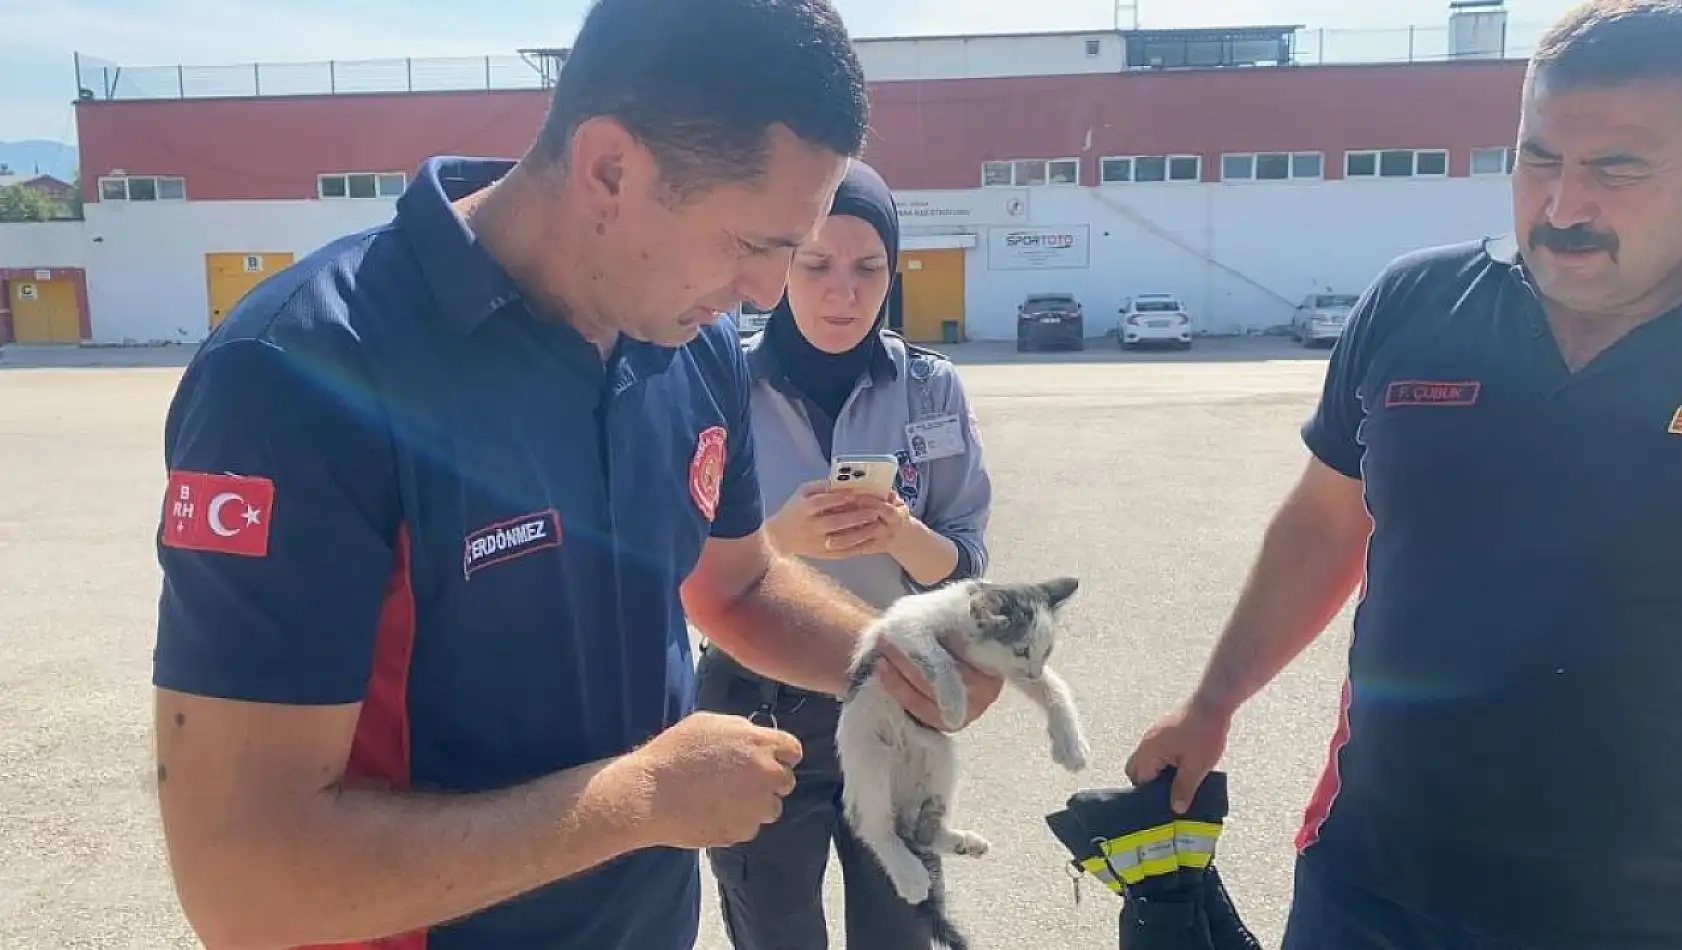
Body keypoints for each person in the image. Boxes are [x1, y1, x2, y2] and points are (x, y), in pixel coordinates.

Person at [145, 2, 1008, 949]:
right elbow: (244, 881)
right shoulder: (302, 372)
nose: (769, 295)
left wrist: (890, 659)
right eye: (755, 246)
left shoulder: (694, 345)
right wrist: (640, 800)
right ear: (609, 169)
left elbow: (737, 584)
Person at [1124, 2, 1682, 948]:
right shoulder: (1414, 306)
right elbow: (1324, 524)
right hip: (1370, 884)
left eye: (1617, 169)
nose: (1565, 207)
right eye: (1539, 157)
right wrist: (1213, 700)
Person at [694, 159, 993, 950]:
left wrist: (901, 533)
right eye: (817, 264)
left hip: (897, 715)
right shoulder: (720, 379)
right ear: (782, 263)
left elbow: (965, 571)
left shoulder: (929, 389)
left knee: (897, 933)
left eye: (869, 269)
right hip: (756, 711)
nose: (843, 293)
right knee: (776, 934)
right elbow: (670, 562)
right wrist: (774, 542)